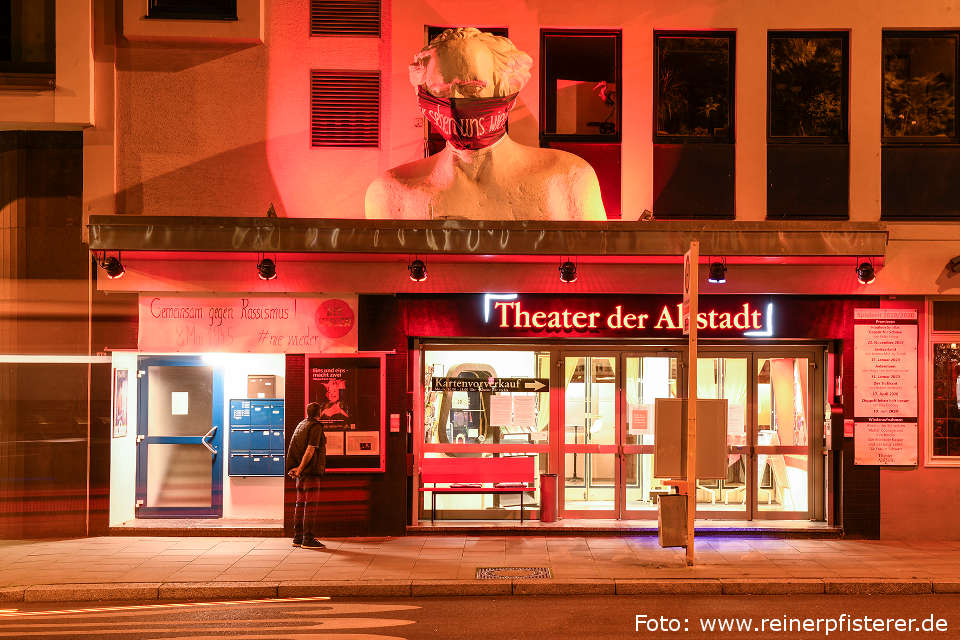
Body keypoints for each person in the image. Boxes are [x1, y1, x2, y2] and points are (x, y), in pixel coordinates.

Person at [364, 27, 606, 221]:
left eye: (471, 89)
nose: (455, 101)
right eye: (440, 90)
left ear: (505, 89)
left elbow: (599, 277)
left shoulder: (569, 179)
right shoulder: (390, 192)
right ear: (424, 94)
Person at [287, 402, 327, 550]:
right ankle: (308, 539)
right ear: (320, 412)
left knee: (299, 504)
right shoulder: (315, 427)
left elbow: (293, 447)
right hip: (310, 472)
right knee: (310, 506)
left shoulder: (301, 425)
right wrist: (300, 469)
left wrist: (295, 469)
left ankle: (297, 538)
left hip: (301, 474)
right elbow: (310, 450)